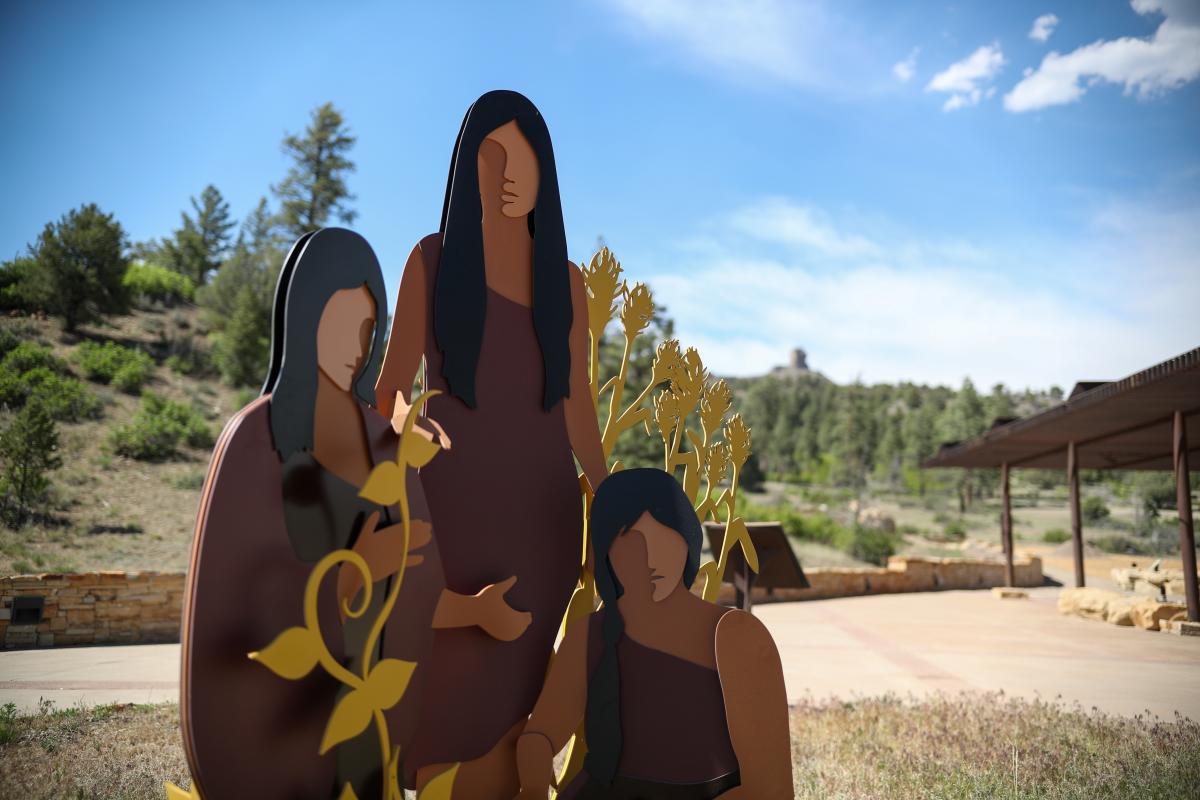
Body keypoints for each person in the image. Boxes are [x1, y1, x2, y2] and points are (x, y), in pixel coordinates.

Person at [181, 228, 523, 799]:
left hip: (372, 700)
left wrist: (475, 611)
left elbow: (412, 586)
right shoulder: (258, 440)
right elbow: (236, 603)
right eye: (343, 324)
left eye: (369, 330)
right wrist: (350, 573)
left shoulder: (387, 443)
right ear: (306, 314)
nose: (357, 347)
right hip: (293, 709)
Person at [374, 89, 608, 796]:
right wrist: (406, 427)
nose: (508, 171)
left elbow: (578, 409)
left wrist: (615, 496)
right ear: (464, 169)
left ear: (546, 171)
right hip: (448, 522)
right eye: (490, 155)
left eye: (523, 155)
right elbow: (387, 391)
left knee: (516, 696)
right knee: (443, 689)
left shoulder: (567, 285)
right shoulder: (431, 261)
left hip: (542, 527)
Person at [515, 469, 794, 799]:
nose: (650, 558)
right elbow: (543, 734)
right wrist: (533, 785)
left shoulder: (735, 636)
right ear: (605, 553)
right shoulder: (590, 635)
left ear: (687, 538)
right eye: (632, 541)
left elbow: (771, 788)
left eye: (664, 537)